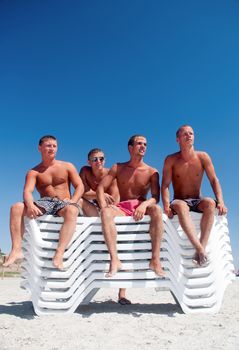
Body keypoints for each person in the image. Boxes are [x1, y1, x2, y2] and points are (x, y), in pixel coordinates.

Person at [3, 135, 84, 270]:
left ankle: (59, 253)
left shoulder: (67, 166)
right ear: (40, 148)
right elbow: (28, 191)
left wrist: (73, 201)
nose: (52, 148)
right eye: (48, 145)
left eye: (54, 146)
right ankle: (16, 250)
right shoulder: (34, 172)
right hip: (45, 202)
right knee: (16, 207)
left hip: (64, 202)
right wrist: (29, 205)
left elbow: (80, 186)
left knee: (72, 210)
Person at [96, 135, 165, 278]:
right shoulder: (118, 167)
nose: (143, 146)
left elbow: (155, 198)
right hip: (122, 207)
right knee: (106, 213)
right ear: (130, 148)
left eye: (145, 144)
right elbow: (100, 188)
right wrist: (104, 207)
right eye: (139, 144)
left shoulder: (152, 172)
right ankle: (114, 260)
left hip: (142, 206)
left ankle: (155, 260)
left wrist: (144, 205)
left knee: (157, 210)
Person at [161, 125, 227, 265]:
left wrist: (220, 201)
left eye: (191, 133)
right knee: (180, 205)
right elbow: (165, 185)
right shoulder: (171, 159)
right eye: (185, 134)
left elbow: (214, 180)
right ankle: (201, 250)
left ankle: (200, 250)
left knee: (210, 202)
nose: (189, 136)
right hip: (180, 200)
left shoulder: (203, 157)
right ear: (178, 139)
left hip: (198, 200)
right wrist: (166, 205)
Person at [79, 148, 131, 305]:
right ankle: (84, 286)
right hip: (94, 210)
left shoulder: (110, 175)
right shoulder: (85, 171)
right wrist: (99, 194)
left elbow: (115, 198)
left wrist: (102, 201)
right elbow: (81, 192)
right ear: (89, 161)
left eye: (101, 158)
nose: (98, 162)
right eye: (94, 159)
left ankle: (122, 294)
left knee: (122, 248)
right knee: (78, 202)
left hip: (110, 211)